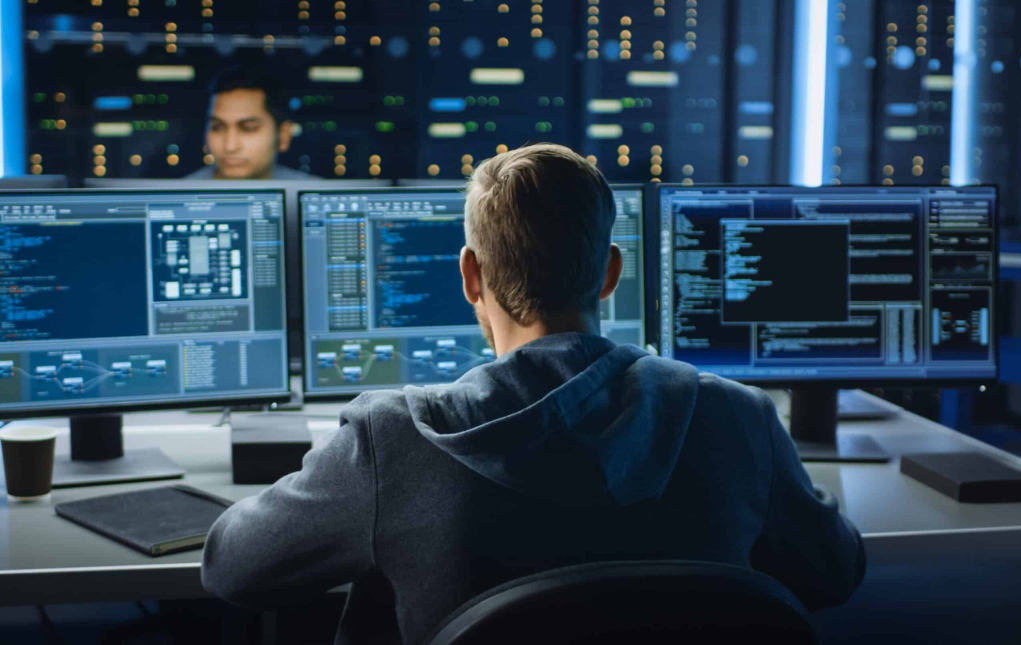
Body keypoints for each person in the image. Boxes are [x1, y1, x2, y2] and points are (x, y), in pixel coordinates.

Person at [202, 144, 865, 644]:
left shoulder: (393, 441)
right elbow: (836, 570)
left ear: (470, 276)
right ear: (610, 273)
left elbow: (233, 569)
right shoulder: (737, 417)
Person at [185, 66, 311, 181]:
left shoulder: (313, 193)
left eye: (248, 128)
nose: (230, 146)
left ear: (284, 135)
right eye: (217, 128)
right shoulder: (181, 194)